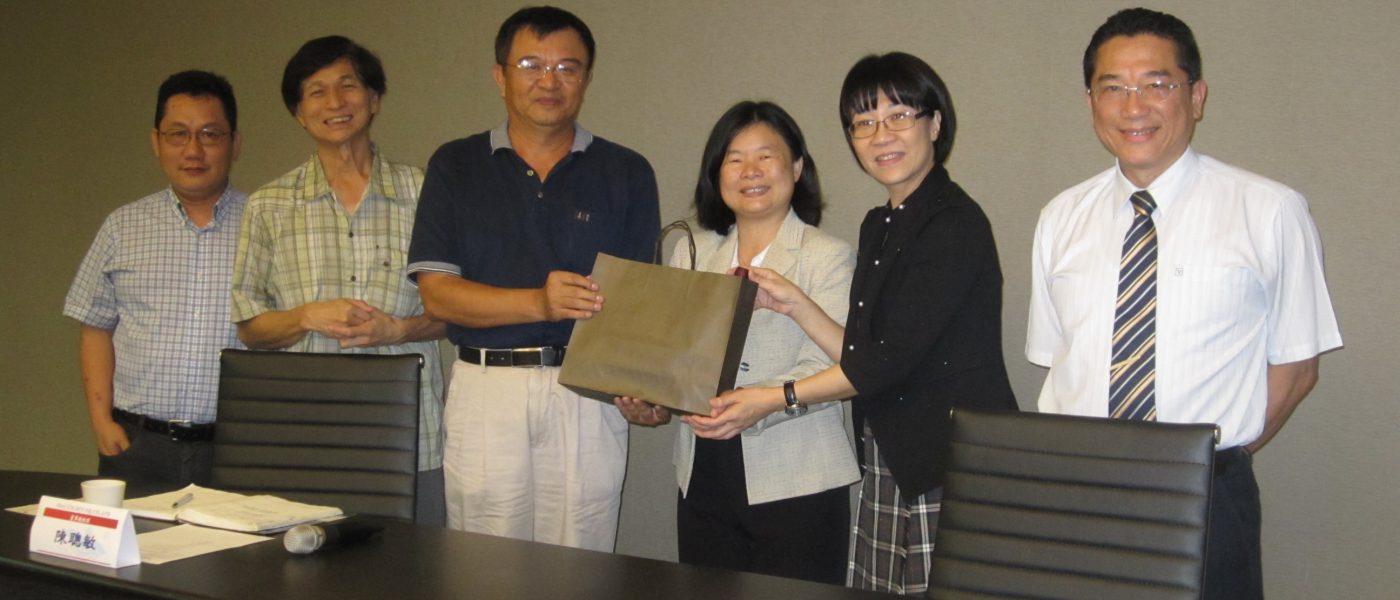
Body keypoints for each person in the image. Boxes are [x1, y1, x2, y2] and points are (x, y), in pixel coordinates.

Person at [1026, 8, 1342, 599]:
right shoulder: (1060, 217)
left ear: (1196, 96)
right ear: (1091, 102)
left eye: (1157, 84)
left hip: (1205, 491)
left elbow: (1298, 366)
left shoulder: (1269, 210)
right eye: (1112, 88)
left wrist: (1204, 462)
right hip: (1078, 489)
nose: (1133, 107)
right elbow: (1055, 359)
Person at [687, 54, 1016, 595]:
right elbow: (864, 351)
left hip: (949, 460)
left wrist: (774, 397)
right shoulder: (881, 223)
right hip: (893, 455)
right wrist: (796, 304)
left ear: (935, 124)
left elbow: (883, 363)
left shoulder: (953, 223)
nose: (881, 135)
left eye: (899, 116)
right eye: (864, 123)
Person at [407, 6, 659, 552]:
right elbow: (438, 295)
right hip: (486, 389)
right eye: (530, 65)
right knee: (484, 562)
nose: (550, 81)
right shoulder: (455, 165)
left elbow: (638, 306)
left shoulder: (627, 171)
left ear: (586, 79)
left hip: (586, 393)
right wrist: (539, 304)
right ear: (500, 76)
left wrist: (649, 389)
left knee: (582, 558)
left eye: (568, 68)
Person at [614, 101, 859, 584]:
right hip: (703, 473)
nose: (751, 171)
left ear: (797, 168)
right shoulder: (691, 251)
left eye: (766, 156)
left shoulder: (828, 256)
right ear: (716, 174)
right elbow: (672, 359)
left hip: (797, 475)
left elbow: (834, 366)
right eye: (734, 158)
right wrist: (652, 402)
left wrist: (758, 403)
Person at [230, 36, 447, 525]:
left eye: (348, 86)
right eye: (316, 91)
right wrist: (305, 317)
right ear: (298, 113)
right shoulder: (268, 205)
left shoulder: (425, 191)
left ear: (374, 99)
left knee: (415, 563)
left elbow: (458, 311)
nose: (334, 102)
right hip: (306, 439)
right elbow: (249, 327)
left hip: (411, 436)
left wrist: (400, 329)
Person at [63, 70, 245, 486]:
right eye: (178, 134)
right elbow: (95, 328)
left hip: (233, 448)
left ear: (235, 143)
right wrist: (101, 422)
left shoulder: (264, 226)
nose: (193, 150)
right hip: (136, 445)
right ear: (156, 142)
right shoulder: (122, 227)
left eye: (210, 134)